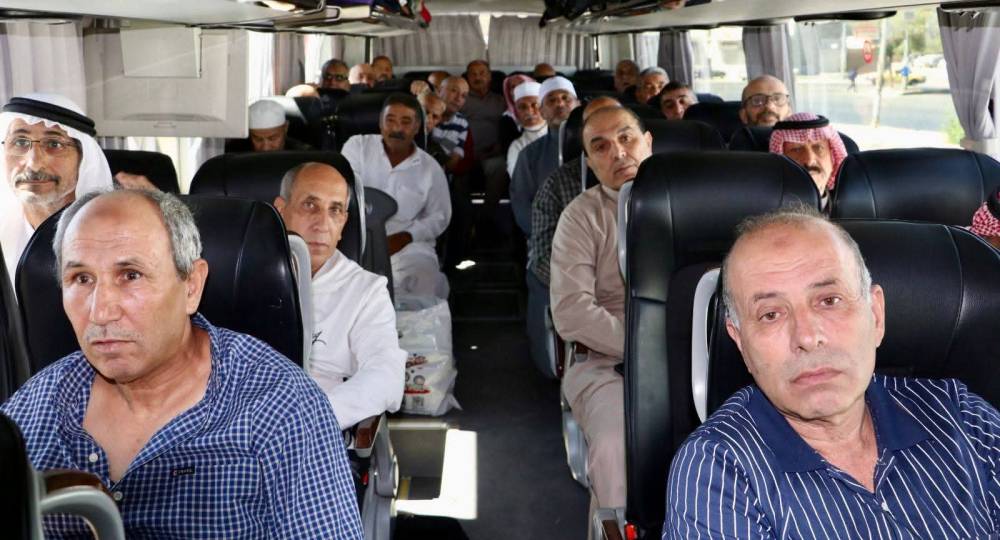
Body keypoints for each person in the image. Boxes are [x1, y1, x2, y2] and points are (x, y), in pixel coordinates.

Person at [0, 188, 363, 538]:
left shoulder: (281, 406)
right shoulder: (34, 409)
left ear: (191, 286)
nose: (100, 311)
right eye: (81, 279)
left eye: (131, 275)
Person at [664, 205, 1000, 538]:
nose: (807, 337)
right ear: (740, 342)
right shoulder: (718, 470)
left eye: (829, 301)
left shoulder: (961, 416)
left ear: (876, 315)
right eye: (771, 314)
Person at [550, 105, 654, 521]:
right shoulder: (581, 217)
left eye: (626, 138)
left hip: (701, 355)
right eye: (601, 147)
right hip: (606, 361)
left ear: (648, 142)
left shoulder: (698, 203)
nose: (618, 152)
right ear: (590, 164)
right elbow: (572, 312)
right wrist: (648, 353)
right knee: (616, 443)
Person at [274, 162, 406, 429]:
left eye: (335, 210)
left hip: (315, 428)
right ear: (280, 209)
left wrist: (310, 418)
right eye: (310, 205)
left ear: (344, 222)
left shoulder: (365, 291)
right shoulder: (238, 275)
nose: (322, 225)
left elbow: (386, 375)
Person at [524, 96, 620, 378]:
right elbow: (542, 257)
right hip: (592, 303)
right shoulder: (561, 189)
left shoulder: (669, 188)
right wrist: (581, 282)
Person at [341, 94, 451, 299]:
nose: (397, 129)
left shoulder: (430, 168)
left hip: (408, 246)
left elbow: (439, 216)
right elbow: (343, 191)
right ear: (380, 123)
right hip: (356, 239)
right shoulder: (357, 147)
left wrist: (407, 236)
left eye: (406, 122)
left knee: (421, 284)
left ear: (417, 127)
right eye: (390, 120)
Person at [1, 93, 114, 281]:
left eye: (54, 144)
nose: (33, 164)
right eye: (20, 142)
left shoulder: (118, 238)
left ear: (83, 159)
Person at [510, 76, 579, 235]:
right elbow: (522, 203)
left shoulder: (596, 147)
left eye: (565, 98)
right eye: (551, 100)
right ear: (542, 111)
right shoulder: (529, 155)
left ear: (578, 104)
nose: (559, 104)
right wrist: (544, 235)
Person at [769, 113, 848, 211]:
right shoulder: (765, 209)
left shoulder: (853, 207)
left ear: (833, 159)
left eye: (818, 148)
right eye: (796, 150)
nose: (809, 161)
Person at [462, 60, 506, 166]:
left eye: (482, 73)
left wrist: (500, 146)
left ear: (489, 76)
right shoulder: (460, 99)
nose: (477, 78)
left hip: (494, 153)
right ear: (467, 78)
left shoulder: (501, 100)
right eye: (473, 74)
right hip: (465, 153)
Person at [505, 81, 545, 178]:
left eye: (535, 105)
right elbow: (519, 180)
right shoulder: (517, 146)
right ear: (516, 112)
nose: (529, 111)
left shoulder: (561, 134)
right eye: (523, 107)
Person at [432, 76, 471, 173]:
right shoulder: (425, 115)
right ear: (439, 91)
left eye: (463, 96)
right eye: (454, 91)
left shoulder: (462, 122)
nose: (458, 99)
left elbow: (451, 162)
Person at [246, 99, 313, 153]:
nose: (266, 148)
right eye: (258, 139)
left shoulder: (303, 154)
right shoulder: (242, 152)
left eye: (273, 138)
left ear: (286, 127)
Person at [498, 73, 536, 152]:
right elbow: (509, 150)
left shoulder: (548, 110)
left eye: (521, 84)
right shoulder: (507, 119)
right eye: (513, 87)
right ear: (509, 92)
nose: (517, 89)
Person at [417, 91, 450, 168]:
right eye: (424, 112)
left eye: (435, 117)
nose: (428, 119)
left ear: (439, 121)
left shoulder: (438, 154)